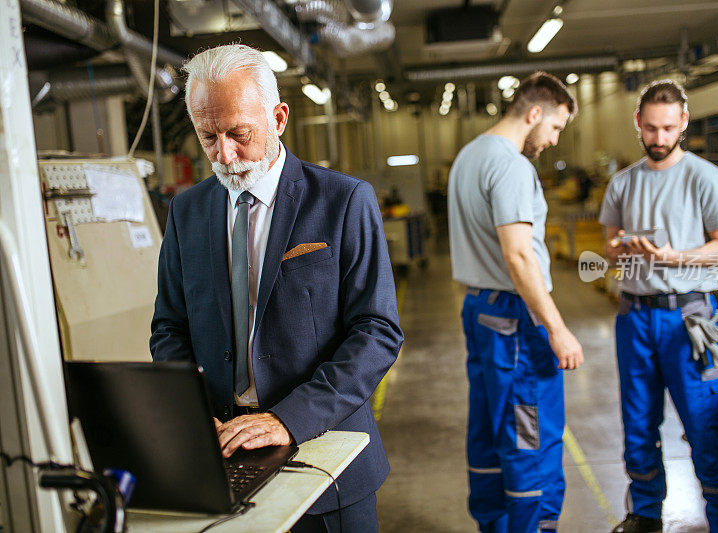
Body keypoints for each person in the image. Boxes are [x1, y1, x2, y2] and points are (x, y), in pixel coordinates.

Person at [150, 44, 403, 532]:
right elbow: (169, 327)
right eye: (207, 137)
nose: (224, 154)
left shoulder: (344, 201)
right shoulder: (187, 213)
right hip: (225, 457)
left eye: (239, 134)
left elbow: (377, 332)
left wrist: (289, 418)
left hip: (327, 460)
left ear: (279, 117)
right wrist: (192, 410)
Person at [599, 80, 718, 533]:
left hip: (690, 318)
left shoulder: (706, 177)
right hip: (634, 317)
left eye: (668, 128)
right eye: (650, 129)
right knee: (638, 425)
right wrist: (623, 249)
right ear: (637, 124)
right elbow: (607, 248)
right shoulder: (623, 183)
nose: (658, 139)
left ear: (683, 123)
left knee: (704, 425)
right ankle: (645, 514)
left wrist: (673, 257)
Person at [448, 72, 584, 533]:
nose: (553, 140)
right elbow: (519, 254)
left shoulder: (469, 156)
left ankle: (495, 525)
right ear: (533, 114)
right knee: (532, 435)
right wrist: (557, 328)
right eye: (556, 128)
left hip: (479, 313)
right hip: (515, 320)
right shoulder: (511, 165)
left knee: (489, 426)